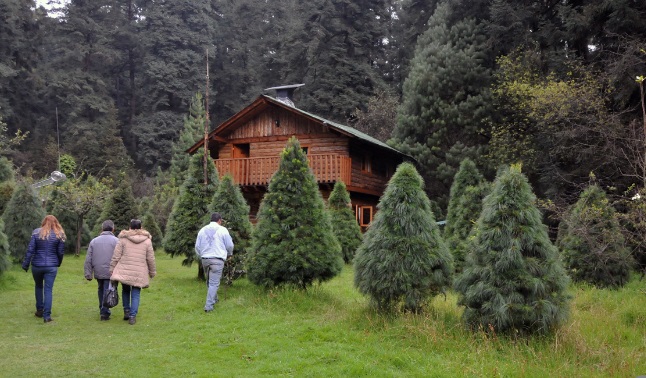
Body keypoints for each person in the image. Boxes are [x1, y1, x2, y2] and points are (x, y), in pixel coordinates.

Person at [109, 219, 156, 325]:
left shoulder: (123, 239)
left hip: (125, 270)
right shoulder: (147, 240)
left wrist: (112, 269)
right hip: (139, 272)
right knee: (136, 294)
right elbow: (150, 258)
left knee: (125, 290)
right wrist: (152, 272)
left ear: (129, 227)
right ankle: (132, 316)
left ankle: (126, 311)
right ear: (141, 227)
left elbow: (116, 256)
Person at [22, 215, 66, 323]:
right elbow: (60, 252)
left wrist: (26, 264)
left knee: (38, 287)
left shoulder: (36, 232)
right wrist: (58, 263)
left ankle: (39, 310)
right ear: (56, 222)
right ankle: (47, 316)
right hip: (51, 266)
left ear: (44, 222)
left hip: (37, 265)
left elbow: (30, 250)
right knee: (48, 290)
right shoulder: (59, 234)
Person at [195, 212, 234, 312]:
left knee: (209, 281)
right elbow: (229, 245)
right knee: (213, 283)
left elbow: (197, 247)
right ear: (219, 220)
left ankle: (215, 299)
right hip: (217, 259)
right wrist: (229, 253)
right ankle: (209, 307)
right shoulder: (223, 230)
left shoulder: (202, 230)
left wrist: (202, 255)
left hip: (205, 259)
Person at [84, 220, 119, 321]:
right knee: (108, 289)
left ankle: (102, 308)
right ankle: (105, 311)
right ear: (113, 229)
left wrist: (88, 273)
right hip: (111, 270)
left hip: (98, 270)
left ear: (102, 229)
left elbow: (88, 258)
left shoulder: (94, 241)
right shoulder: (116, 241)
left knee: (101, 288)